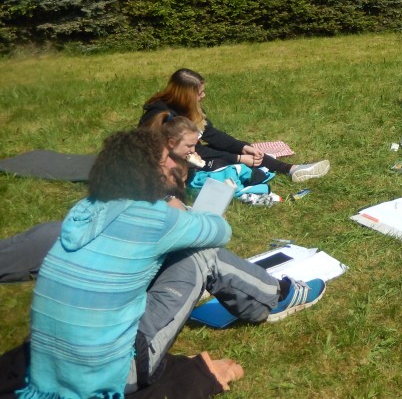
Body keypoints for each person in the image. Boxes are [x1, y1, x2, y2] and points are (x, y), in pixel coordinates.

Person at [4, 126, 326, 398]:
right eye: (167, 160)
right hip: (113, 373)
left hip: (42, 367)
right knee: (201, 253)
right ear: (150, 172)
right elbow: (219, 231)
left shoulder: (82, 212)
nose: (175, 163)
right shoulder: (155, 218)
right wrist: (179, 210)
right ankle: (274, 298)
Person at [139, 68, 330, 183]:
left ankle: (291, 169)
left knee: (243, 148)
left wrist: (242, 148)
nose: (204, 96)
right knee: (227, 164)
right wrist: (238, 158)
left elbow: (211, 134)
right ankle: (270, 173)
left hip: (191, 156)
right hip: (173, 166)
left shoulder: (190, 109)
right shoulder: (163, 116)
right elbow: (194, 152)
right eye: (200, 93)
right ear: (186, 96)